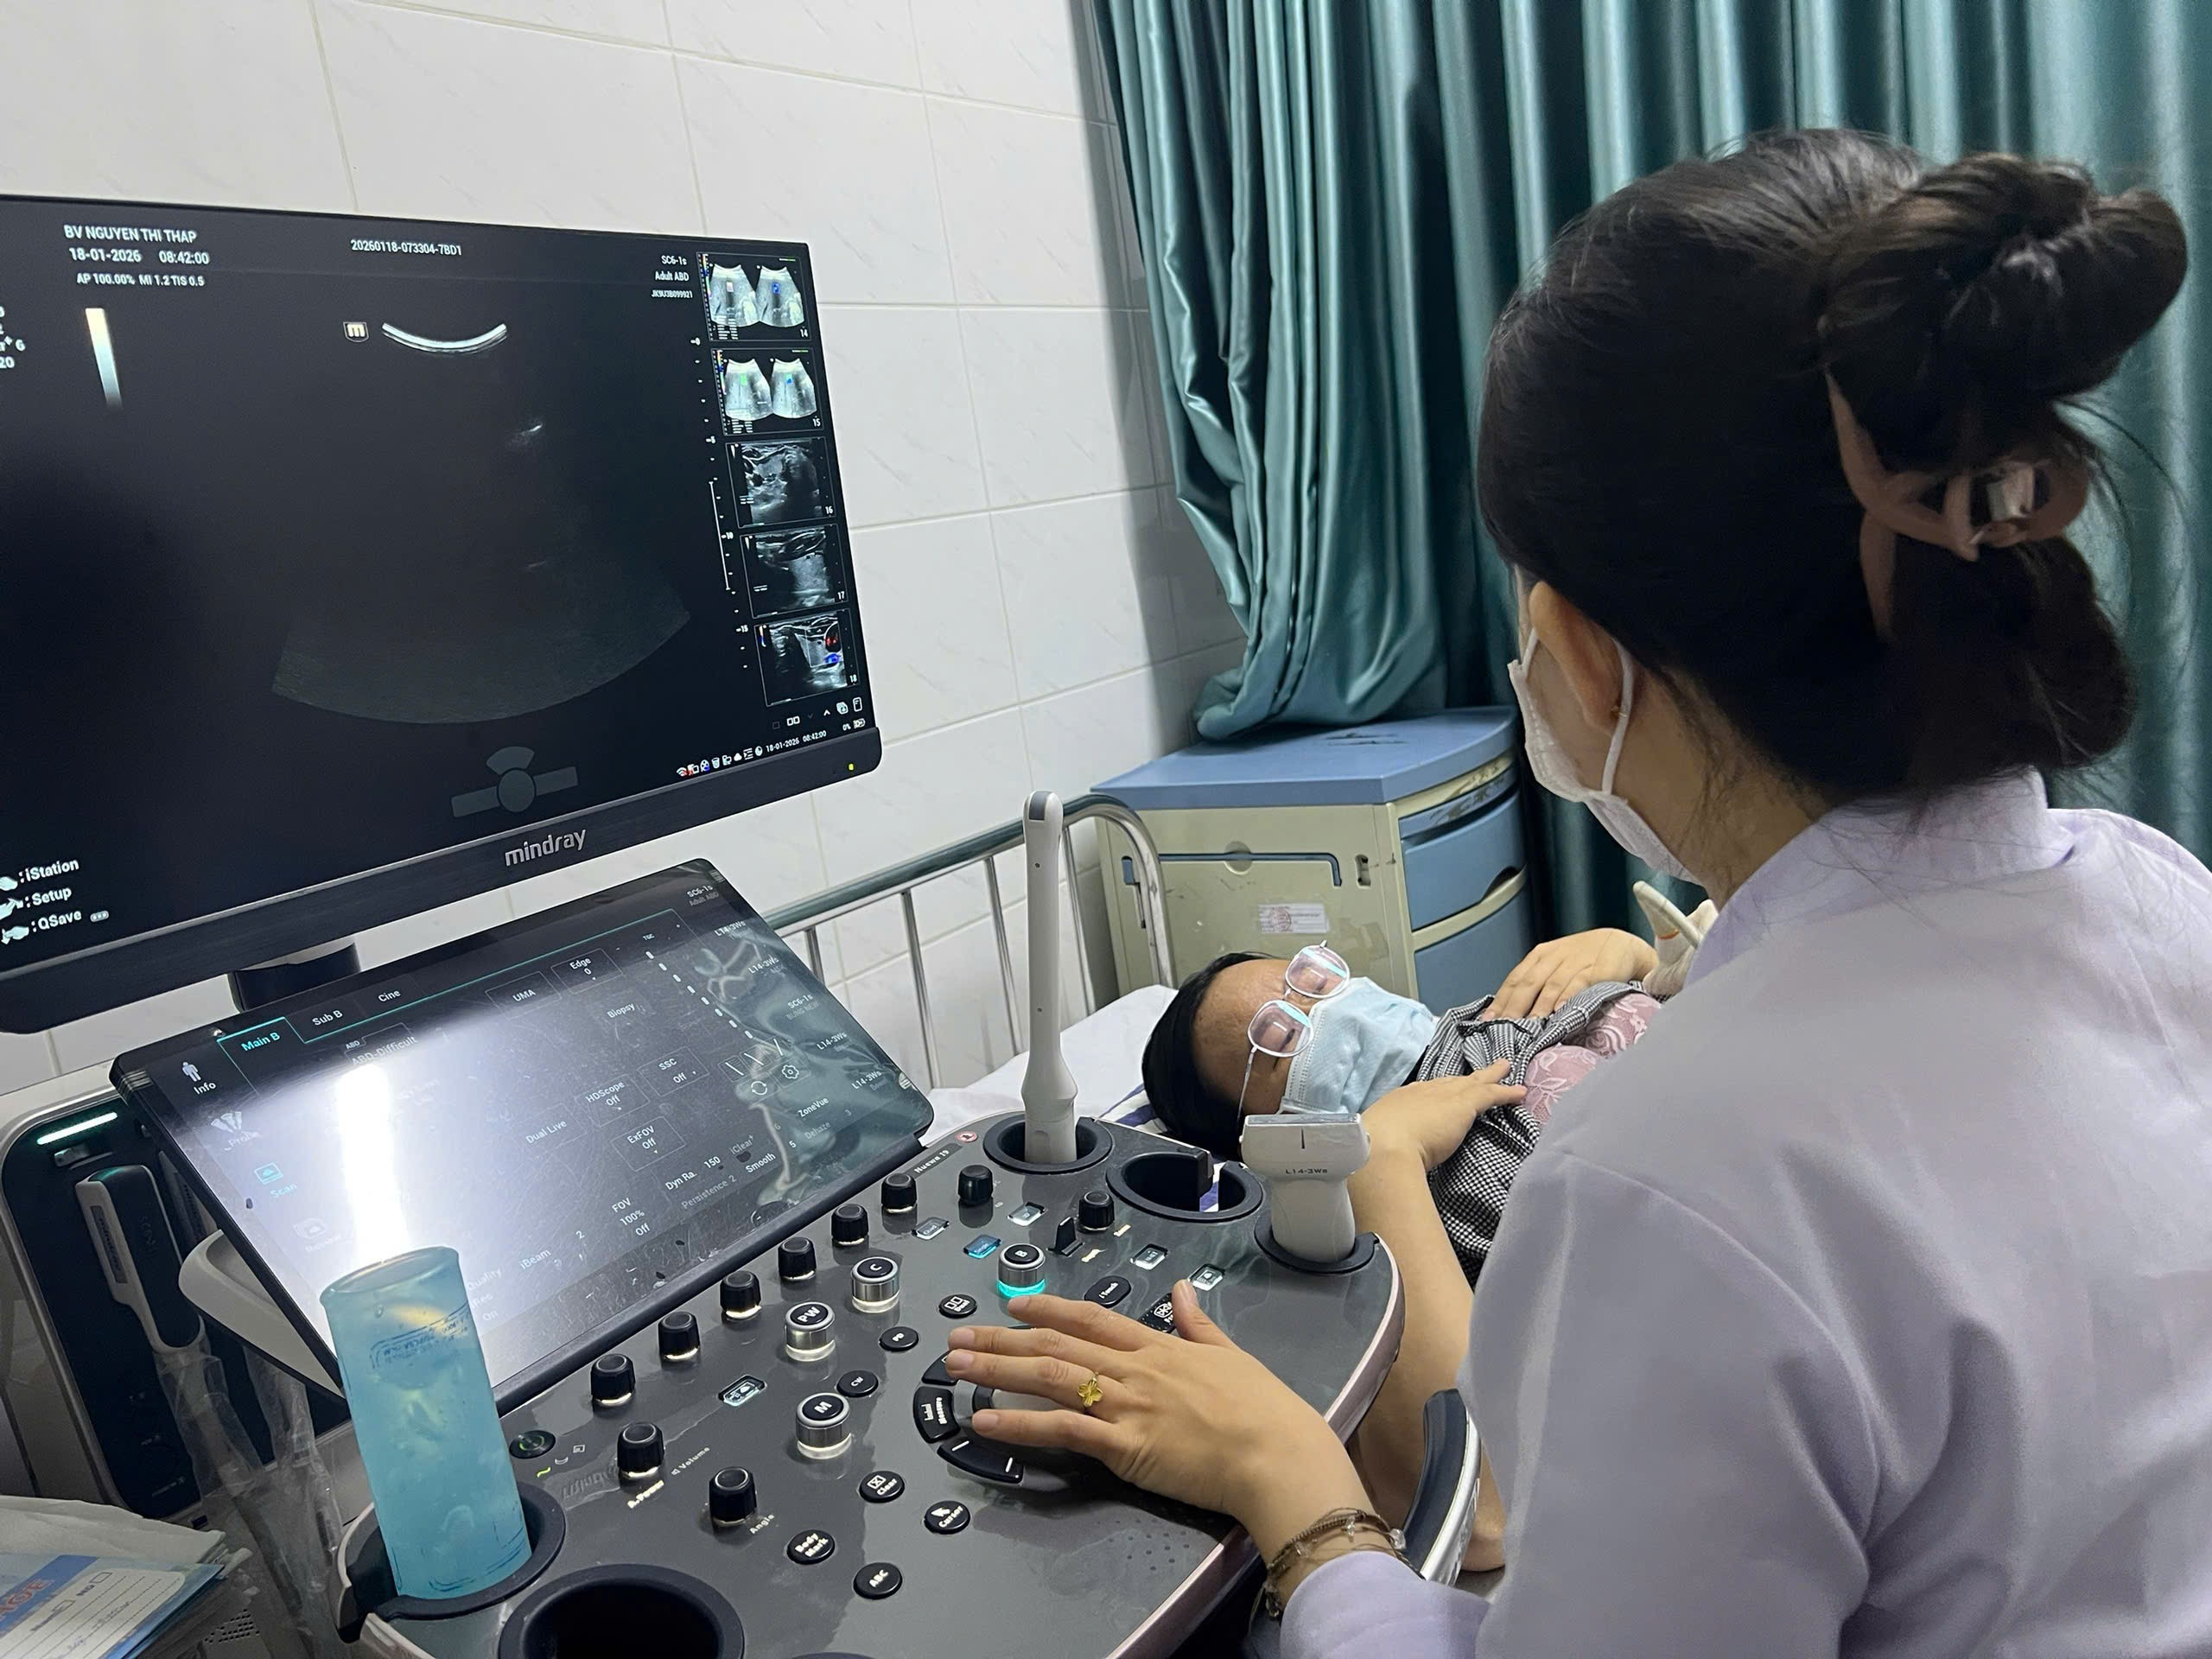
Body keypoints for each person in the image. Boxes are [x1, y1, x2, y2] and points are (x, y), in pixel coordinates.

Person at [941, 131, 2211, 1655]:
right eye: (1278, 1023)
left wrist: (1304, 1501)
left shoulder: (1674, 1175)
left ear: (1583, 656)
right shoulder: (2163, 901)